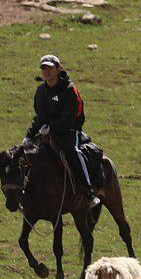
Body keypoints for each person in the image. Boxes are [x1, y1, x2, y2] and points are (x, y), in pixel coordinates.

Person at [27, 55, 97, 210]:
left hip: (69, 131)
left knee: (72, 151)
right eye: (44, 68)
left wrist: (51, 127)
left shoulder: (69, 90)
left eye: (50, 68)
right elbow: (39, 117)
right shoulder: (40, 92)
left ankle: (88, 190)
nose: (47, 72)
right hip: (47, 133)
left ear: (58, 69)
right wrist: (29, 135)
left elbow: (69, 118)